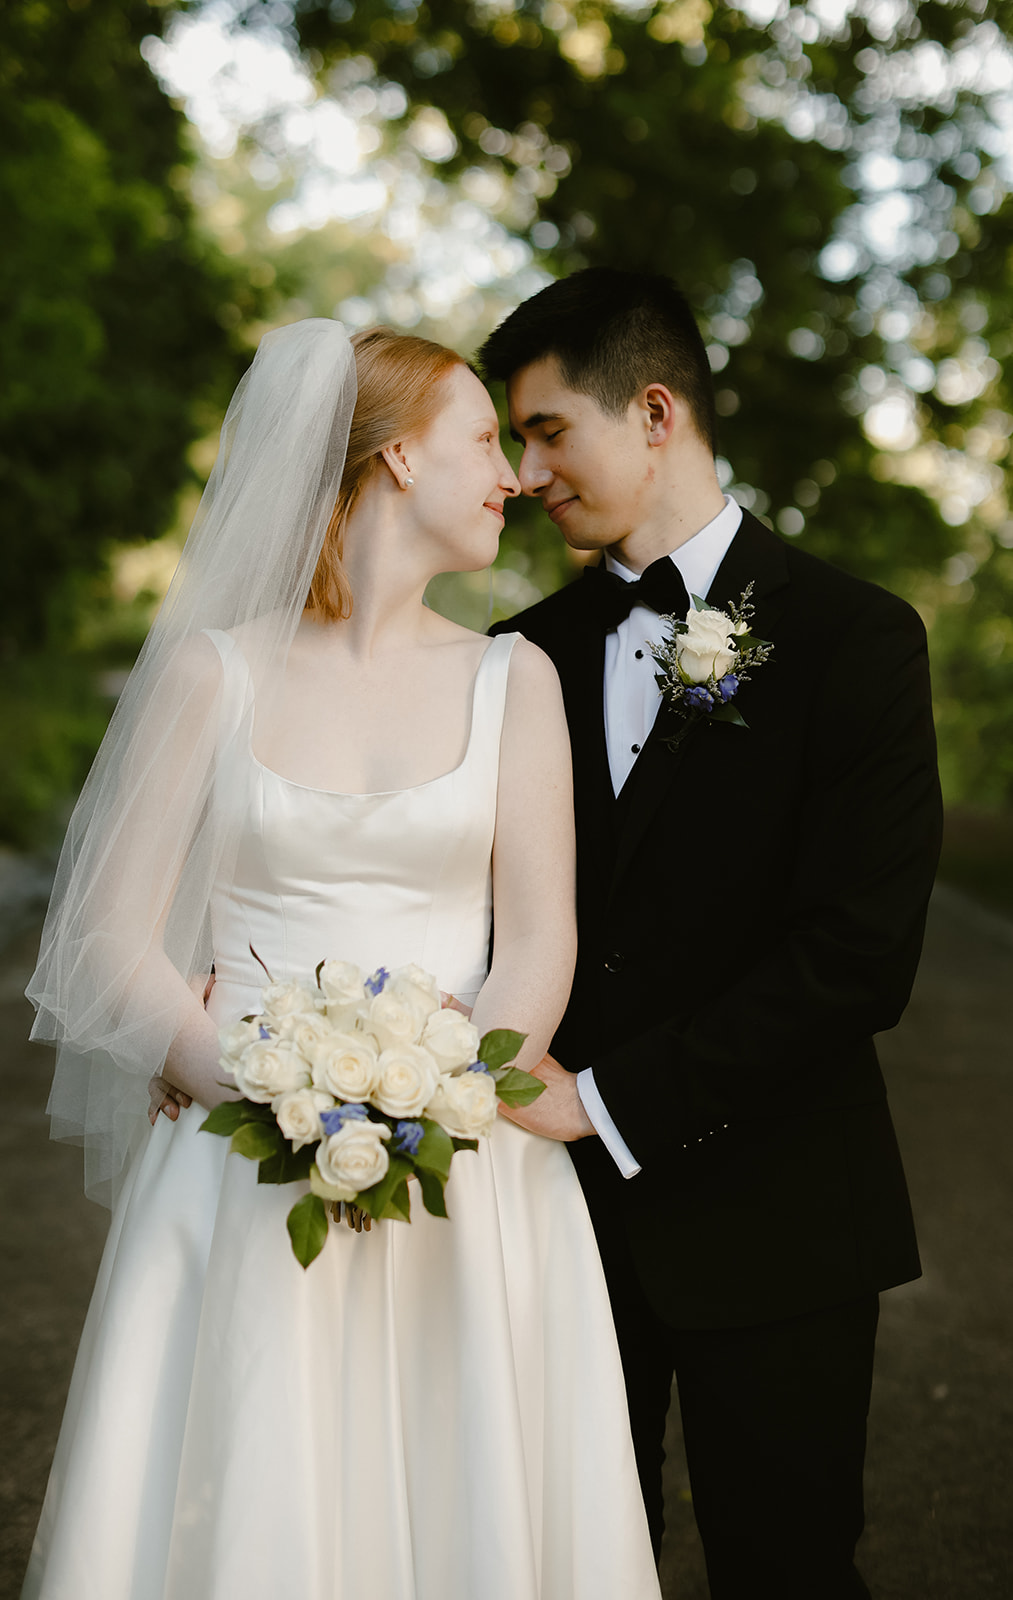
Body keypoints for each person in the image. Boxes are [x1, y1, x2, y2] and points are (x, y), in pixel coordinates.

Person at [22, 320, 661, 1600]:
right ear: (391, 461)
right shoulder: (216, 673)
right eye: (483, 439)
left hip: (466, 1168)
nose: (512, 476)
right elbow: (105, 929)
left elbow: (540, 936)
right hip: (237, 1160)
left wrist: (444, 1088)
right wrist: (250, 1081)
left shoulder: (513, 679)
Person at [482, 267, 943, 1598]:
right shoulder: (520, 656)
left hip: (782, 1215)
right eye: (514, 441)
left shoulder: (857, 640)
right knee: (563, 1565)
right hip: (553, 1226)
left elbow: (857, 957)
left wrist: (610, 1102)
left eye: (548, 429)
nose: (525, 471)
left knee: (787, 1569)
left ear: (656, 412)